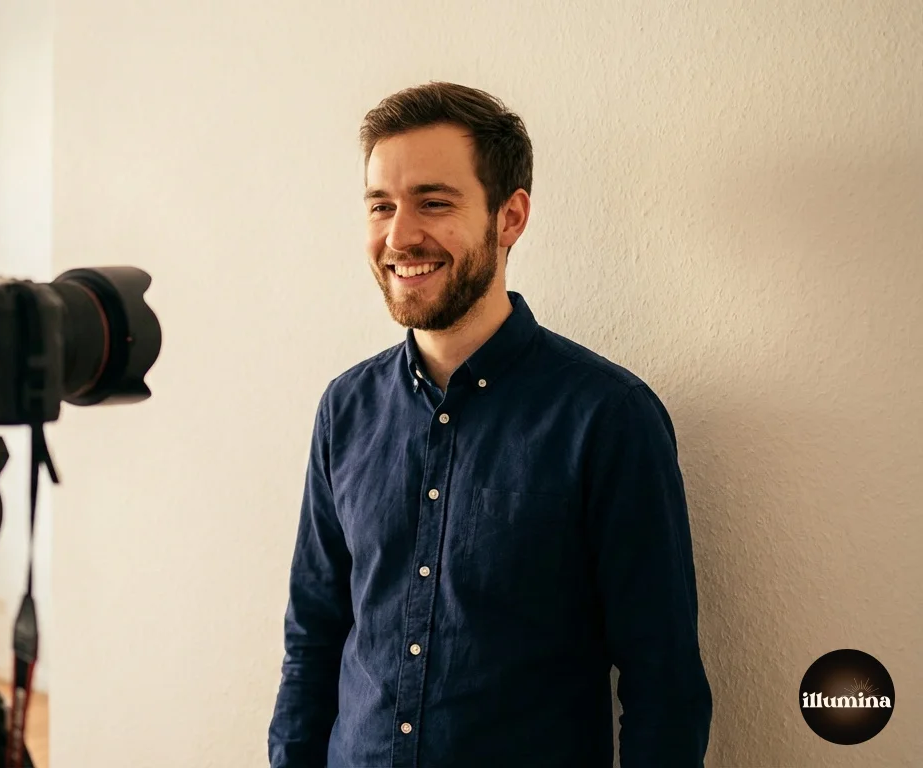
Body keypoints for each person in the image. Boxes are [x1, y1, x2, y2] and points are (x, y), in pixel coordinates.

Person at [267, 82, 713, 767]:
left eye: (434, 203)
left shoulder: (607, 417)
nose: (400, 235)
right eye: (381, 205)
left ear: (510, 218)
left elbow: (665, 686)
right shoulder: (344, 409)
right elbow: (314, 640)